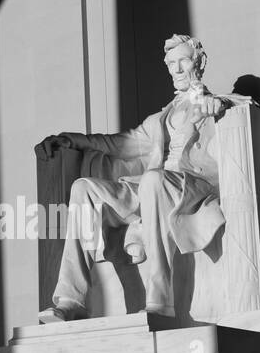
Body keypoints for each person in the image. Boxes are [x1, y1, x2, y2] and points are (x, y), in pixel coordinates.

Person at [35, 34, 232, 322]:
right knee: (84, 188)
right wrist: (70, 140)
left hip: (193, 185)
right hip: (152, 186)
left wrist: (220, 107)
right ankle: (71, 300)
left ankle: (161, 298)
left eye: (183, 61)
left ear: (200, 62)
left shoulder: (217, 105)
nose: (176, 69)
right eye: (171, 63)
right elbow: (118, 144)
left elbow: (244, 109)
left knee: (153, 180)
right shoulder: (157, 120)